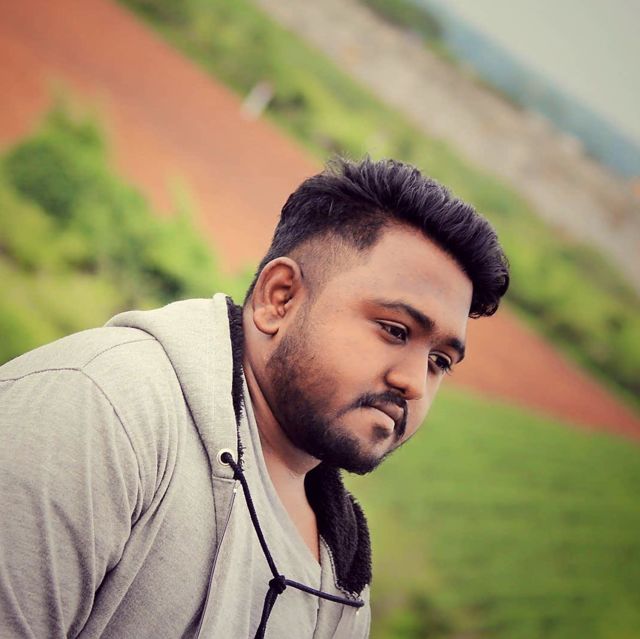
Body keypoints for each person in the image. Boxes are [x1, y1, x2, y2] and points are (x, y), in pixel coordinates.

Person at [0, 157, 509, 638]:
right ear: (279, 298)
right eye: (395, 330)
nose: (414, 382)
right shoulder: (106, 409)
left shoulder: (342, 575)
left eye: (439, 361)